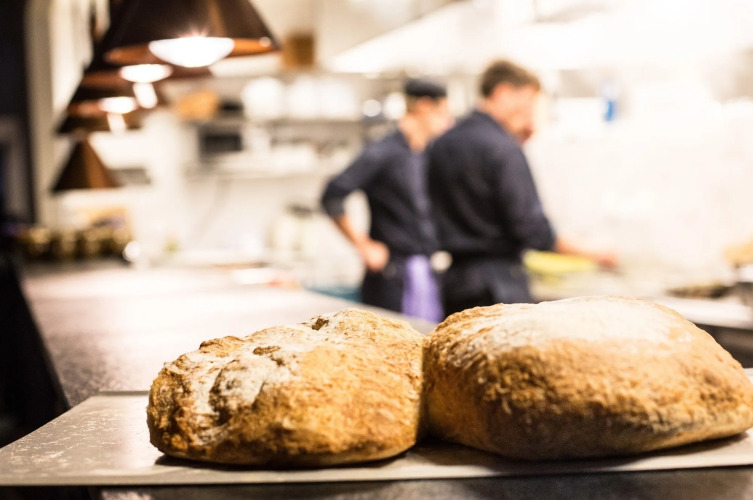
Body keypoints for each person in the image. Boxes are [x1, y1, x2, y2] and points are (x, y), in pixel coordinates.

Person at [427, 60, 616, 314]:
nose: (530, 115)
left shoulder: (442, 143)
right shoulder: (503, 149)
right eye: (528, 103)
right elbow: (532, 230)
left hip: (454, 285)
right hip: (498, 286)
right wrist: (595, 252)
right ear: (503, 93)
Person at [321, 79, 452, 322]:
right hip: (391, 279)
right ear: (424, 107)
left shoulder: (425, 153)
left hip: (426, 274)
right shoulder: (382, 151)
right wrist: (364, 245)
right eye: (443, 113)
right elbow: (332, 194)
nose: (448, 122)